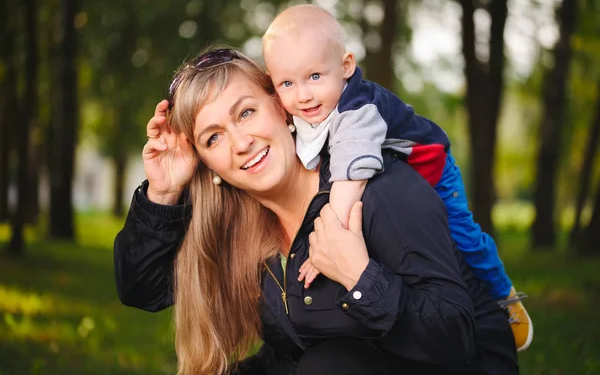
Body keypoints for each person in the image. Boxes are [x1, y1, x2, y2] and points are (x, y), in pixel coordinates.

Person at [114, 48, 519, 375]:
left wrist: (360, 278)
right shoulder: (247, 225)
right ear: (208, 165)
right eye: (214, 137)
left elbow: (454, 338)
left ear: (281, 108)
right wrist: (163, 192)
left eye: (246, 112)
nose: (240, 142)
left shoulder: (378, 191)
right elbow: (142, 289)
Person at [261, 4, 532, 351]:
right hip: (395, 176)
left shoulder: (357, 110)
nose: (303, 94)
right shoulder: (308, 106)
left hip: (430, 166)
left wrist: (325, 243)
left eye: (315, 77)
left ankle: (501, 293)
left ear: (346, 67)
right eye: (287, 82)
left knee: (462, 236)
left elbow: (350, 179)